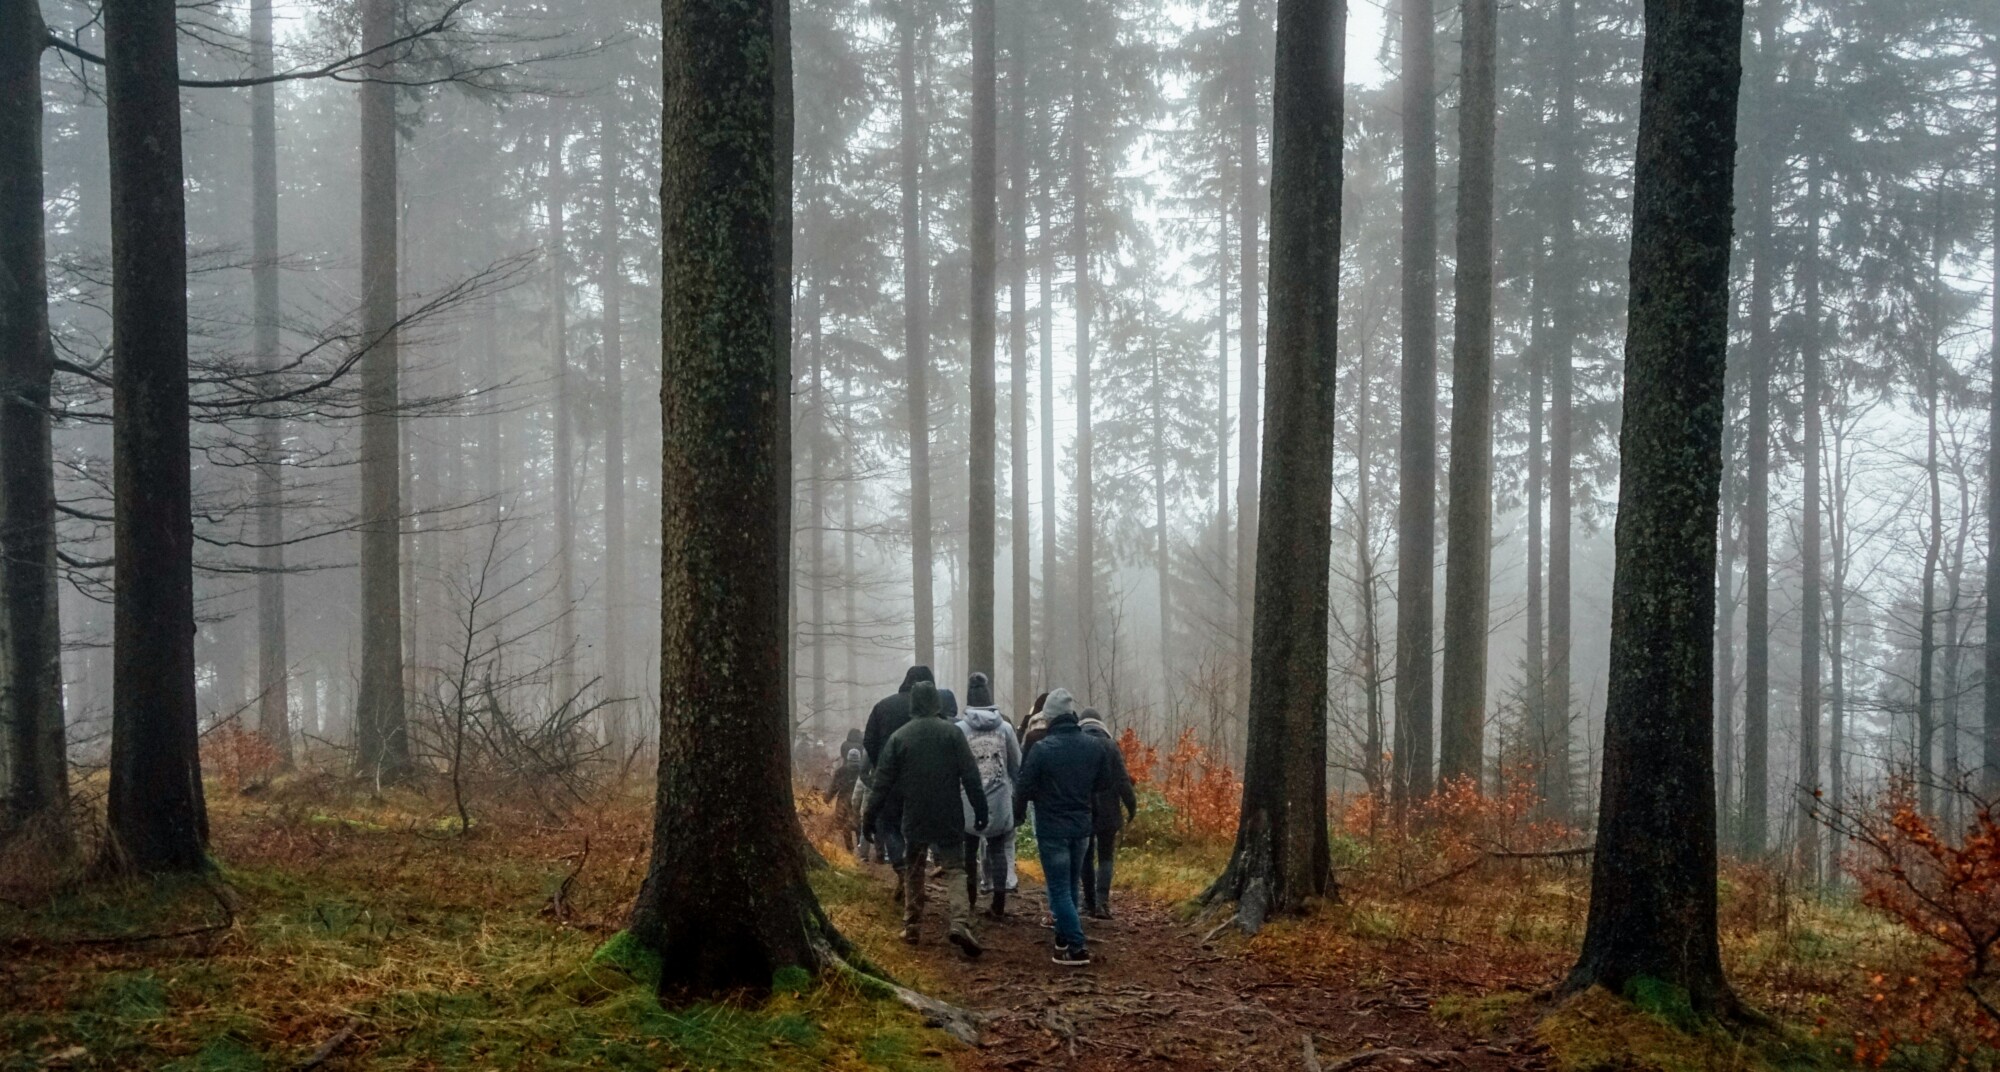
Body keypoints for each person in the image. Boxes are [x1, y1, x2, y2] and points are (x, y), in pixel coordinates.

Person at [864, 680, 989, 957]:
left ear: (913, 704)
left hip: (915, 813)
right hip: (949, 812)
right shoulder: (952, 734)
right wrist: (981, 810)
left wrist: (869, 817)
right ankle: (959, 922)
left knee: (914, 867)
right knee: (955, 869)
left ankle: (912, 926)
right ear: (936, 703)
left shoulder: (900, 737)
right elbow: (971, 775)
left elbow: (881, 783)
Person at [1013, 688, 1118, 966]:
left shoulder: (1041, 750)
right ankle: (1062, 937)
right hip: (1082, 827)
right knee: (1070, 885)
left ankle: (1077, 946)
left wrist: (1020, 813)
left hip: (1052, 827)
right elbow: (1104, 783)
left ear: (1048, 718)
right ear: (1072, 715)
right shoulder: (1093, 746)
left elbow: (1024, 787)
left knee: (1059, 888)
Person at [863, 666, 936, 899]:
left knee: (888, 825)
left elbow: (869, 740)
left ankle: (902, 870)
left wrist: (881, 764)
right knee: (919, 829)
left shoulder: (883, 706)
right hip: (923, 780)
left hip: (890, 779)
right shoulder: (933, 711)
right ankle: (914, 879)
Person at [957, 672, 1020, 919]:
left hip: (968, 800)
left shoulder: (960, 730)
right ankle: (999, 903)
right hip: (1000, 799)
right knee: (997, 850)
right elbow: (1016, 764)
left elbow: (955, 766)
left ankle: (970, 899)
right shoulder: (1005, 728)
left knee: (969, 852)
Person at [1078, 712, 1137, 919]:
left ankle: (1088, 902)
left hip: (1084, 808)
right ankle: (1102, 902)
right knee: (1105, 856)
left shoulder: (1080, 743)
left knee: (1086, 855)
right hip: (1109, 811)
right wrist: (1131, 805)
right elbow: (1122, 779)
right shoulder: (1111, 746)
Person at [825, 728, 868, 854]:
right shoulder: (862, 768)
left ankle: (849, 848)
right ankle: (861, 846)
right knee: (858, 821)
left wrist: (828, 798)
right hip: (858, 796)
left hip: (844, 797)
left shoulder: (841, 770)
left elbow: (835, 786)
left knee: (844, 823)